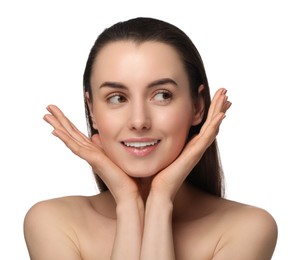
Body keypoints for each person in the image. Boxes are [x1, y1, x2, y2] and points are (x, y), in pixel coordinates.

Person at [24, 17, 278, 259]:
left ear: (198, 105)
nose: (138, 121)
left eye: (162, 95)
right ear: (92, 110)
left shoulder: (247, 229)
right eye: (117, 98)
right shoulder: (53, 222)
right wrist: (128, 202)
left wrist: (160, 200)